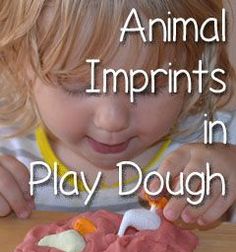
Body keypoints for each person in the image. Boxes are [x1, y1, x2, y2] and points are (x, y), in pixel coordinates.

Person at [0, 0, 235, 224]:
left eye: (147, 87)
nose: (111, 120)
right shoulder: (6, 146)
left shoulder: (218, 143)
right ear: (20, 64)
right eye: (78, 86)